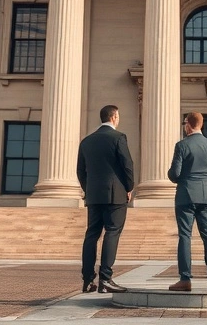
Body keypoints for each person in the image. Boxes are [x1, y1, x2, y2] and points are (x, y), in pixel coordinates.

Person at [76, 104, 135, 294]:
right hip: (115, 195)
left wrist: (89, 189)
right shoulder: (118, 137)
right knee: (112, 232)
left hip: (94, 195)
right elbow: (127, 165)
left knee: (92, 235)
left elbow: (80, 170)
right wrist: (129, 187)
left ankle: (87, 280)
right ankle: (105, 279)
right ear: (114, 117)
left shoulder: (86, 141)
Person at [167, 111, 207, 292]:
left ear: (188, 124)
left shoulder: (182, 145)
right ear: (201, 124)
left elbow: (175, 174)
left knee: (185, 236)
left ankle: (185, 278)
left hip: (186, 196)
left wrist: (174, 174)